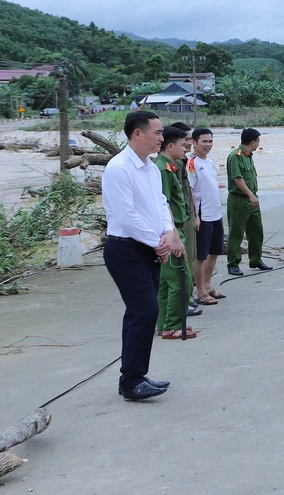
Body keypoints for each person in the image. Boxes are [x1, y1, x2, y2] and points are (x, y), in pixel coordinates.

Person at [102, 111, 181, 400]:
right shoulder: (119, 168)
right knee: (146, 310)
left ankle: (136, 376)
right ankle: (131, 381)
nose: (162, 137)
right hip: (125, 249)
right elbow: (126, 216)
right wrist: (157, 242)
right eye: (157, 132)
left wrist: (169, 233)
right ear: (138, 133)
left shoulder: (150, 167)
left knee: (140, 312)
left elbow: (160, 203)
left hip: (148, 247)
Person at [154, 127, 197, 340]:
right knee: (182, 279)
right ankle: (172, 325)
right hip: (169, 232)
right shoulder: (162, 170)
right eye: (182, 144)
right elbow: (163, 205)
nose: (186, 147)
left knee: (166, 283)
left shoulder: (170, 167)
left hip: (174, 228)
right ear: (170, 146)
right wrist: (173, 236)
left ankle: (163, 324)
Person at [226, 128, 273, 276]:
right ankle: (233, 263)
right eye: (258, 141)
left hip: (252, 199)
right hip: (239, 200)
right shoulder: (236, 156)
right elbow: (237, 178)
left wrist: (253, 196)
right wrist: (251, 195)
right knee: (236, 233)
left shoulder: (248, 155)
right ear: (253, 142)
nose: (258, 144)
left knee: (256, 231)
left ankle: (255, 259)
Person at [188, 127, 226, 305]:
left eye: (210, 141)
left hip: (215, 213)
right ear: (194, 142)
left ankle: (208, 285)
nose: (208, 145)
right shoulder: (191, 163)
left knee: (214, 252)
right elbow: (190, 191)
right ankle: (199, 291)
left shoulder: (209, 162)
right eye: (204, 141)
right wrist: (195, 216)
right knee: (201, 255)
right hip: (202, 215)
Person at [169, 121, 200, 316]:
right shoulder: (171, 164)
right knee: (183, 264)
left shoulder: (182, 161)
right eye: (186, 139)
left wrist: (195, 214)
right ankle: (182, 301)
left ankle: (187, 297)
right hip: (179, 219)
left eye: (189, 139)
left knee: (191, 260)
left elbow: (188, 191)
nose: (189, 143)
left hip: (187, 215)